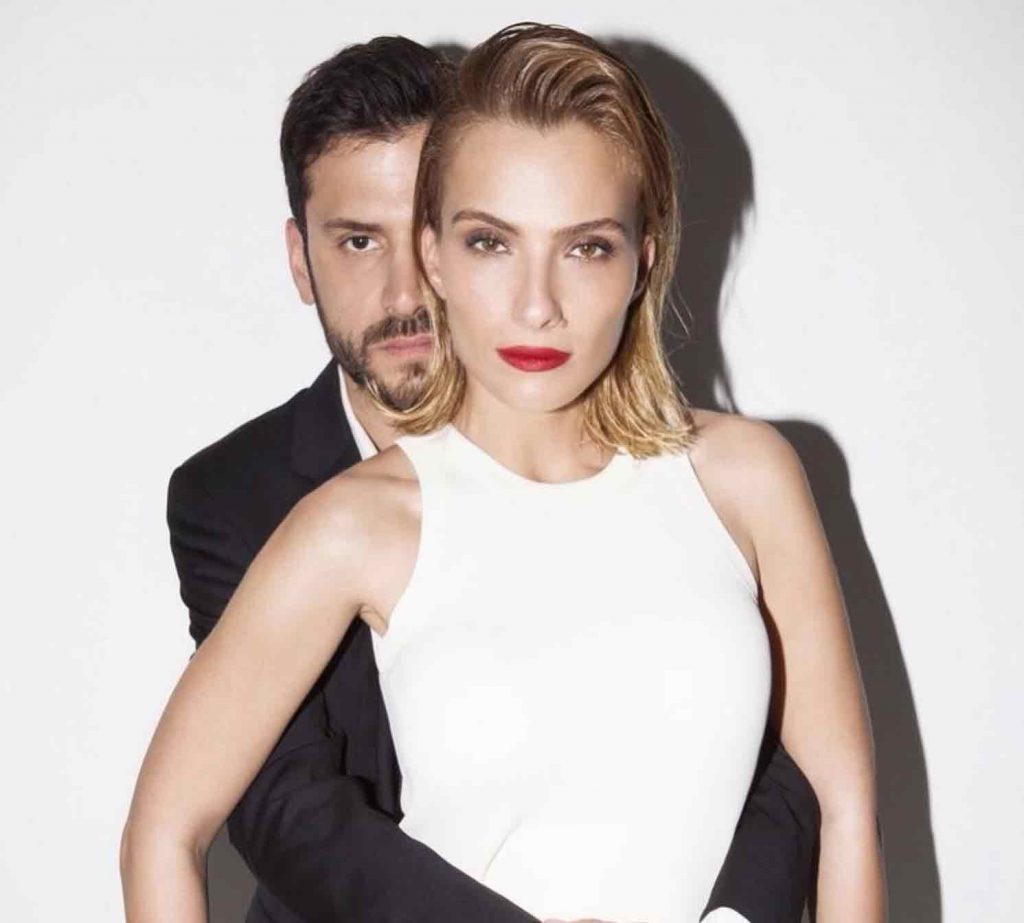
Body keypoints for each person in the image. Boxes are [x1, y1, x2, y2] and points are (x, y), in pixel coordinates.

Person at [120, 28, 837, 923]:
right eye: (358, 241)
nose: (404, 294)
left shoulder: (711, 479)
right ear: (302, 257)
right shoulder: (264, 502)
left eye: (573, 245)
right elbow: (282, 810)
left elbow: (789, 769)